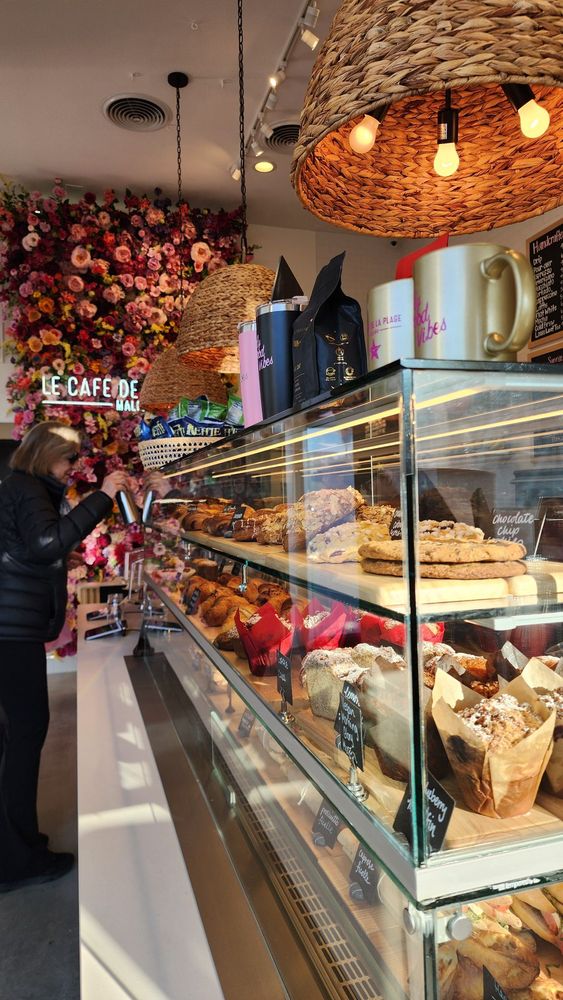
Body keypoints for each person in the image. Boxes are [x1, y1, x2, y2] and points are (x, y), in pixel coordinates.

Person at [0, 421, 129, 891]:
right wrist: (104, 495)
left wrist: (59, 560)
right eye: (70, 458)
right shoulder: (29, 487)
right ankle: (17, 861)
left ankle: (19, 843)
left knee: (17, 737)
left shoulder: (22, 486)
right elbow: (43, 542)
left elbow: (27, 549)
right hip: (11, 633)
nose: (75, 467)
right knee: (25, 736)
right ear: (47, 453)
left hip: (11, 629)